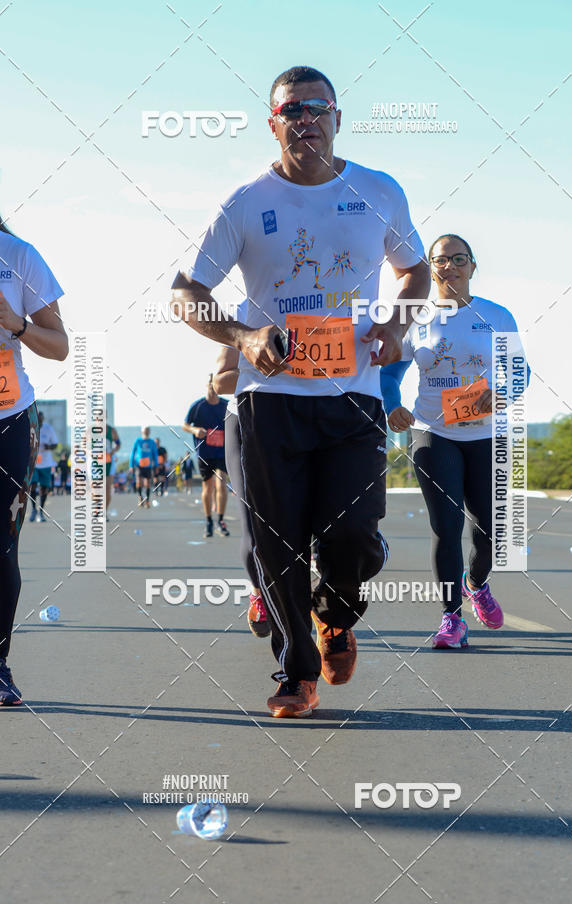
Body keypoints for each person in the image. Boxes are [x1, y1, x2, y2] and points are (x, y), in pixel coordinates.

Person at [171, 65, 429, 718]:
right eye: (292, 111)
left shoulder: (377, 191)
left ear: (338, 118)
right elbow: (185, 294)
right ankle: (297, 672)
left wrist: (397, 326)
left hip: (353, 397)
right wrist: (243, 336)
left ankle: (336, 616)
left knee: (355, 539)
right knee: (275, 542)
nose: (305, 120)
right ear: (273, 123)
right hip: (267, 401)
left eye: (318, 108)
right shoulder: (243, 202)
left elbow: (415, 271)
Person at [388, 233, 529, 649]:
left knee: (491, 531)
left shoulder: (496, 316)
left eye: (458, 258)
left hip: (487, 433)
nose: (449, 266)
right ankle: (451, 618)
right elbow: (388, 374)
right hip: (433, 432)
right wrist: (392, 404)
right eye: (440, 259)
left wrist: (502, 391)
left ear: (472, 265)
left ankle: (477, 584)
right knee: (445, 528)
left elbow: (519, 371)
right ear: (430, 267)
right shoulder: (414, 318)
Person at [0, 213, 68, 704]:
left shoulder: (19, 256)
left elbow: (60, 345)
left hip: (7, 420)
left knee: (2, 548)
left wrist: (16, 325)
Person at [214, 305, 270, 638]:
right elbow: (221, 380)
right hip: (247, 419)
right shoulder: (242, 311)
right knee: (253, 522)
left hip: (304, 419)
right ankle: (260, 592)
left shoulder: (316, 298)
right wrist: (274, 369)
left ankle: (300, 596)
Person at [183, 377, 230, 539]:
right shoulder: (198, 406)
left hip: (222, 452)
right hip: (204, 452)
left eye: (215, 385)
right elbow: (185, 425)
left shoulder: (226, 405)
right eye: (210, 385)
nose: (213, 388)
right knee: (208, 487)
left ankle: (221, 520)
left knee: (222, 483)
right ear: (207, 386)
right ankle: (209, 520)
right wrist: (195, 431)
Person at [29, 410, 58, 522]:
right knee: (33, 484)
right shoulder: (30, 427)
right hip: (33, 462)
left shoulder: (48, 429)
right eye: (38, 419)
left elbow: (55, 444)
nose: (39, 421)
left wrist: (49, 447)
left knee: (44, 488)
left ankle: (41, 511)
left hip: (46, 463)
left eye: (41, 419)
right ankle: (33, 509)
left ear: (43, 419)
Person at [129, 426, 158, 508]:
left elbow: (155, 454)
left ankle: (147, 500)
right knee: (139, 482)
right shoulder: (138, 441)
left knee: (147, 484)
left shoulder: (152, 442)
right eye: (145, 431)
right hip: (139, 465)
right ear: (142, 432)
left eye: (147, 431)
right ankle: (140, 497)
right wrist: (131, 465)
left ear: (149, 432)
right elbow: (133, 453)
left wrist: (156, 465)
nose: (146, 432)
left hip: (148, 466)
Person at [105, 424, 121, 514]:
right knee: (95, 489)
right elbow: (83, 445)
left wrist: (113, 451)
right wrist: (90, 452)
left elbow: (118, 444)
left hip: (108, 460)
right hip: (94, 462)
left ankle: (104, 511)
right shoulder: (90, 430)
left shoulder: (112, 431)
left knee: (107, 488)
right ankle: (97, 508)